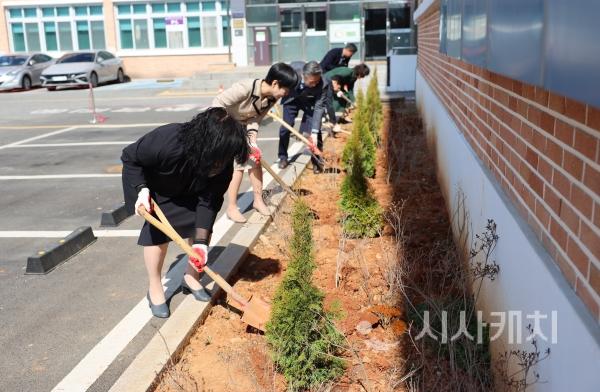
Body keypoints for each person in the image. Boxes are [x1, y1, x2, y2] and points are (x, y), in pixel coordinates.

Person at [121, 108, 250, 318]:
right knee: (157, 237)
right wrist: (141, 190)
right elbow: (130, 157)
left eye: (226, 159)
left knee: (201, 230)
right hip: (161, 189)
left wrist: (200, 243)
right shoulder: (167, 140)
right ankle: (155, 287)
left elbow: (209, 202)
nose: (222, 165)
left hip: (195, 190)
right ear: (206, 144)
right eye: (219, 158)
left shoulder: (222, 164)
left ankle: (192, 278)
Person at [212, 62, 299, 223]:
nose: (286, 94)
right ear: (275, 83)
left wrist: (252, 141)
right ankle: (232, 208)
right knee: (238, 165)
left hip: (243, 127)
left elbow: (255, 119)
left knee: (255, 160)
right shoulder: (245, 88)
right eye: (285, 90)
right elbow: (218, 103)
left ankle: (258, 201)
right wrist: (229, 129)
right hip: (224, 125)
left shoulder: (271, 99)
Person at [278, 61, 331, 174]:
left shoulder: (323, 84)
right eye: (312, 82)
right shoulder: (291, 74)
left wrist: (315, 132)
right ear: (303, 76)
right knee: (286, 127)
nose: (315, 84)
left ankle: (317, 162)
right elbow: (276, 86)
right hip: (291, 98)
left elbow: (319, 107)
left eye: (317, 81)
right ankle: (282, 157)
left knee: (315, 129)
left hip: (309, 101)